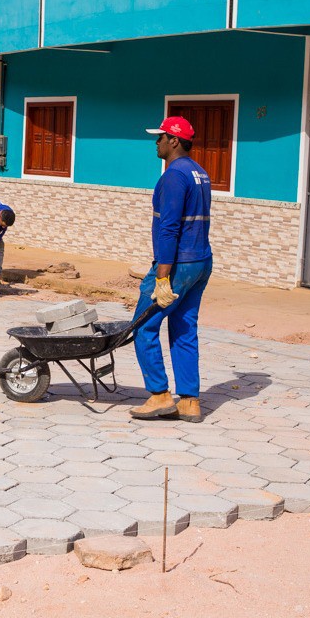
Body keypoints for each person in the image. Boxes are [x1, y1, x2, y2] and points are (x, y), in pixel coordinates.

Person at [130, 116, 213, 424]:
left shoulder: (174, 176)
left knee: (144, 326)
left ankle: (159, 396)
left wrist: (162, 276)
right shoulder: (199, 173)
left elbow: (170, 228)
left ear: (174, 141)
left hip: (178, 264)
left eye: (161, 137)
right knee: (183, 327)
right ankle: (190, 401)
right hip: (201, 261)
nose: (157, 142)